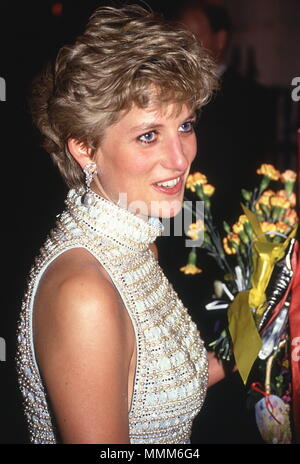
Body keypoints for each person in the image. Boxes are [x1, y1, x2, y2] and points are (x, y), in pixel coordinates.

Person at [15, 5, 230, 444]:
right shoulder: (84, 291)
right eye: (148, 135)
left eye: (185, 125)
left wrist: (263, 333)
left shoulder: (135, 246)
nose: (180, 158)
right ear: (85, 149)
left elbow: (157, 390)